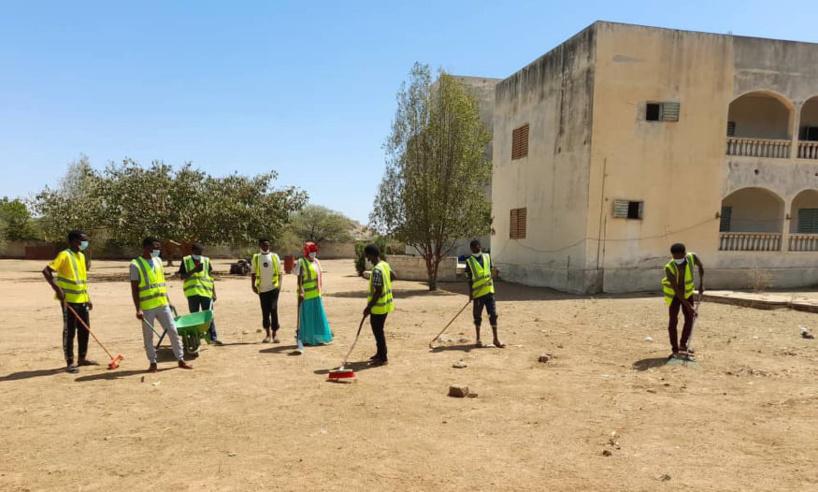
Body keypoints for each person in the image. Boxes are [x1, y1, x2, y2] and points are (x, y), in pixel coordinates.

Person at [130, 237, 193, 372]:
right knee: (149, 336)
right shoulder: (135, 264)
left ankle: (180, 359)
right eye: (155, 247)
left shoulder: (158, 261)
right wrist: (138, 309)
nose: (158, 250)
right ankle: (153, 363)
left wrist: (169, 301)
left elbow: (161, 284)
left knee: (173, 331)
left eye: (159, 247)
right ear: (146, 248)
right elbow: (134, 289)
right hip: (147, 307)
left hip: (163, 304)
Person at [42, 230, 97, 373]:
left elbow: (81, 281)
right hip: (69, 301)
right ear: (73, 241)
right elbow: (46, 271)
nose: (85, 243)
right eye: (82, 240)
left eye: (85, 240)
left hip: (82, 300)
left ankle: (82, 358)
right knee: (69, 331)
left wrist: (88, 298)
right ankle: (70, 362)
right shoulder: (64, 255)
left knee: (85, 329)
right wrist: (58, 290)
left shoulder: (81, 256)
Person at [661, 243, 704, 359]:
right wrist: (689, 306)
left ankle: (683, 346)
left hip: (688, 293)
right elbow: (676, 289)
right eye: (675, 258)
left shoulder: (692, 257)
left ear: (685, 254)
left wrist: (701, 284)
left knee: (689, 319)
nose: (677, 260)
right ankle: (675, 350)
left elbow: (701, 267)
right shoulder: (669, 268)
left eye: (680, 257)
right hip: (675, 296)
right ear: (672, 256)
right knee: (673, 322)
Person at [178, 243, 221, 345]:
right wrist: (194, 270)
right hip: (192, 293)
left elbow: (210, 277)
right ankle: (195, 339)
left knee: (209, 316)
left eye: (201, 252)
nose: (199, 254)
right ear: (192, 251)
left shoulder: (206, 260)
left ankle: (212, 338)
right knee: (195, 318)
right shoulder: (186, 260)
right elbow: (182, 276)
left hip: (206, 293)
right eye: (197, 252)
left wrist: (214, 293)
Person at [465, 239, 504, 348]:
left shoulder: (487, 257)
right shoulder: (469, 262)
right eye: (473, 247)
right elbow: (469, 280)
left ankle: (496, 339)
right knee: (477, 316)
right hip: (478, 294)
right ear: (471, 249)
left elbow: (492, 271)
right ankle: (478, 339)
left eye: (477, 246)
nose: (476, 248)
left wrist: (495, 272)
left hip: (489, 292)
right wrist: (470, 294)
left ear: (480, 246)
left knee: (493, 315)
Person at [294, 241, 333, 348]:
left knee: (318, 317)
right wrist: (301, 291)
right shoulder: (301, 262)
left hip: (316, 294)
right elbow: (299, 279)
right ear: (306, 252)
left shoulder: (316, 262)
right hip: (306, 295)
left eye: (315, 251)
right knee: (308, 318)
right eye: (311, 252)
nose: (313, 254)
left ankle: (318, 338)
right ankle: (307, 339)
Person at [363, 244, 394, 366]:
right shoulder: (384, 265)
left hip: (378, 307)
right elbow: (394, 276)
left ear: (371, 255)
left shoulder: (376, 270)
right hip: (385, 306)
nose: (366, 257)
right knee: (379, 331)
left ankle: (383, 357)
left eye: (367, 255)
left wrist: (368, 307)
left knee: (378, 332)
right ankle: (379, 353)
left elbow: (378, 291)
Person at [251, 239, 282, 343]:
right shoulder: (256, 257)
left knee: (273, 309)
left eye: (267, 245)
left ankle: (275, 334)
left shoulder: (274, 256)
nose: (266, 246)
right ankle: (267, 334)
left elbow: (280, 272)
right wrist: (253, 285)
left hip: (273, 288)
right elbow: (253, 273)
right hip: (262, 289)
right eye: (264, 245)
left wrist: (279, 285)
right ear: (260, 245)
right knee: (265, 311)